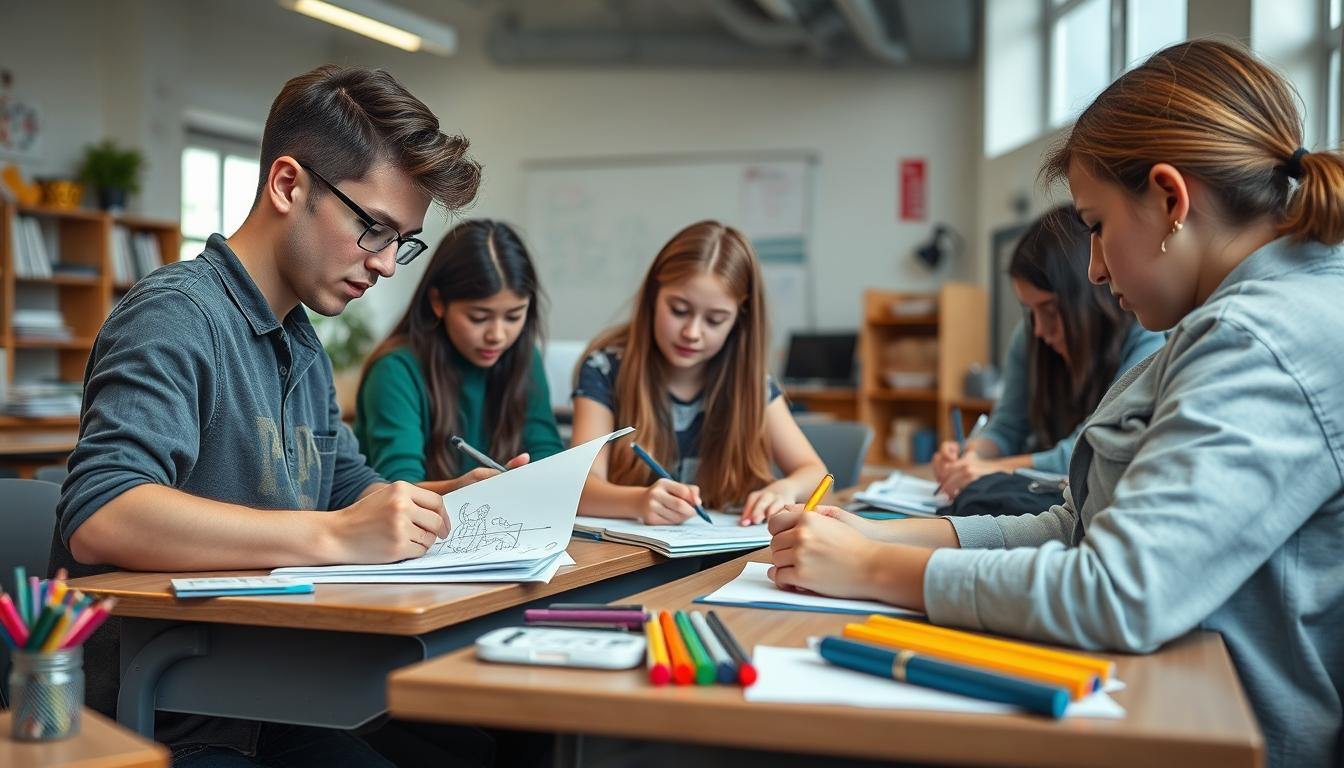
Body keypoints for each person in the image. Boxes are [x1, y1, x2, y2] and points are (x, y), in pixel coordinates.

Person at [767, 40, 1344, 767]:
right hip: (1174, 705)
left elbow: (1117, 591)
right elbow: (1082, 529)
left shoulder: (1257, 337)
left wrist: (873, 571)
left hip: (1216, 734)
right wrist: (878, 541)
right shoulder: (1239, 318)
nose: (1096, 269)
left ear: (1172, 199)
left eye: (1097, 226)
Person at [50, 64, 497, 766]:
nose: (386, 266)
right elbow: (102, 512)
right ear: (288, 185)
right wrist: (329, 537)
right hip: (162, 714)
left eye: (401, 243)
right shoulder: (176, 316)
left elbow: (348, 486)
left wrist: (453, 502)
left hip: (265, 691)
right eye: (374, 229)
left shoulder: (300, 343)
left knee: (474, 746)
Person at [571, 220, 827, 526]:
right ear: (653, 297)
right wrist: (638, 501)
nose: (692, 333)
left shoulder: (750, 383)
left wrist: (787, 487)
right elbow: (579, 488)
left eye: (715, 320)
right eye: (679, 310)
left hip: (724, 556)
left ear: (739, 321)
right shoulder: (605, 369)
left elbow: (817, 474)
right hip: (632, 557)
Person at [933, 205, 1164, 497]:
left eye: (1051, 310)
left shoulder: (1146, 337)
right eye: (1030, 311)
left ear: (1089, 297)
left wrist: (994, 468)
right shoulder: (1030, 335)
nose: (1039, 329)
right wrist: (972, 455)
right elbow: (1007, 428)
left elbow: (1092, 449)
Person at [355, 219, 563, 482]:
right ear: (438, 302)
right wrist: (462, 489)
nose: (497, 336)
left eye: (513, 317)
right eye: (478, 317)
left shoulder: (523, 356)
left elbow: (549, 455)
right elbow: (400, 486)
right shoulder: (395, 370)